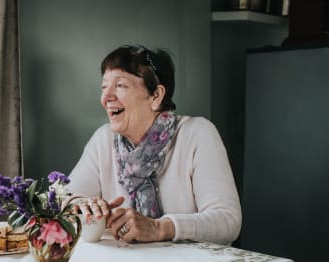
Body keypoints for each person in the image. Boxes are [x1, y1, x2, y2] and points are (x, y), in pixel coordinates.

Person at [66, 45, 241, 245]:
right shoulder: (103, 139)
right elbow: (64, 199)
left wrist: (160, 228)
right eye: (104, 87)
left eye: (120, 85)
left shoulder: (197, 133)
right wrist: (82, 205)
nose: (106, 98)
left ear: (156, 96)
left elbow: (228, 221)